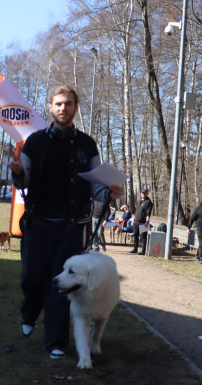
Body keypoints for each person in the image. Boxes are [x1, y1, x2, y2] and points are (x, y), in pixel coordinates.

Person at [8, 85, 122, 360]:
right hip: (38, 224)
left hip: (72, 226)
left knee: (61, 284)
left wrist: (109, 193)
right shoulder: (34, 143)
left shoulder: (87, 144)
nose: (63, 108)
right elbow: (24, 181)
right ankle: (29, 313)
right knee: (32, 279)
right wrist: (19, 174)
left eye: (68, 103)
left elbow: (96, 184)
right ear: (50, 107)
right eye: (58, 103)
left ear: (76, 107)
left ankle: (56, 342)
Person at [129, 188, 154, 254]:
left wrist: (147, 222)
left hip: (143, 221)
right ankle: (135, 248)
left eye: (144, 193)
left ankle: (143, 250)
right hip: (136, 221)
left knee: (143, 236)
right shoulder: (139, 201)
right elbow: (136, 211)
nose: (143, 194)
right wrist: (133, 219)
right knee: (135, 235)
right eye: (142, 193)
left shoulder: (148, 202)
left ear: (147, 194)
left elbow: (148, 213)